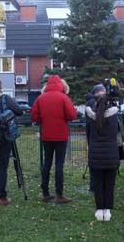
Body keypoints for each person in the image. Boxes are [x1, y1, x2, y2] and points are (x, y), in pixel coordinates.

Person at [31, 75, 77, 204]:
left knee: (47, 163)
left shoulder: (41, 98)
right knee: (59, 164)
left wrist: (42, 121)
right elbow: (72, 115)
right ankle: (59, 194)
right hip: (61, 135)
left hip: (46, 135)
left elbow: (34, 116)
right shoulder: (64, 97)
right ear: (60, 85)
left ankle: (45, 193)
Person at [85, 94, 119, 221]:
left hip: (95, 155)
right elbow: (118, 131)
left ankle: (99, 210)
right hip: (111, 155)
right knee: (110, 184)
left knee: (98, 183)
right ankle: (107, 211)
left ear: (96, 104)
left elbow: (88, 134)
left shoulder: (90, 116)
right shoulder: (114, 116)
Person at [85, 84, 107, 192]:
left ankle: (97, 185)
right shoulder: (93, 103)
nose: (104, 92)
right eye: (102, 91)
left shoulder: (97, 101)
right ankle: (94, 185)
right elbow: (91, 122)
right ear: (96, 93)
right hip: (95, 136)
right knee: (95, 162)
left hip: (97, 136)